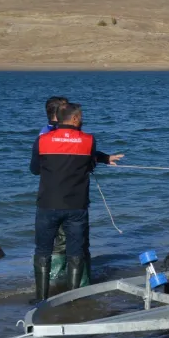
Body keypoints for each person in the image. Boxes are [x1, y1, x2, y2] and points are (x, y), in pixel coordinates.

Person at [30, 103, 124, 301]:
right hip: (76, 205)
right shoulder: (88, 140)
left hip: (47, 204)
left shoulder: (42, 140)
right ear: (73, 119)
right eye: (80, 116)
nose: (82, 119)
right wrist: (103, 159)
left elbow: (35, 169)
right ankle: (72, 298)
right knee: (76, 251)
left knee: (43, 251)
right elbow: (90, 164)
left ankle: (41, 299)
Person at [40, 96, 72, 283]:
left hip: (69, 194)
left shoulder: (61, 131)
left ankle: (64, 275)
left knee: (68, 238)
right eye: (67, 109)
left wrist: (101, 158)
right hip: (57, 196)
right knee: (61, 239)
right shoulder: (47, 134)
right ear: (56, 114)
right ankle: (55, 279)